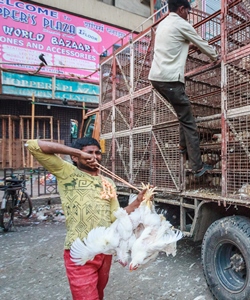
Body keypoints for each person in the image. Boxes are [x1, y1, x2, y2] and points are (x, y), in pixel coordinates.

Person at [26, 138, 147, 300]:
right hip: (79, 250)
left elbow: (115, 216)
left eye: (97, 153)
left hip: (105, 250)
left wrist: (138, 201)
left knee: (98, 294)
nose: (94, 156)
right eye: (89, 152)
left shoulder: (108, 182)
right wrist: (76, 151)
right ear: (75, 158)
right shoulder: (66, 172)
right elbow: (33, 146)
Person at [149, 0, 219, 177]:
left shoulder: (164, 24)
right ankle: (197, 167)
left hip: (157, 78)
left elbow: (172, 46)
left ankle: (182, 146)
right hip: (170, 80)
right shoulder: (181, 23)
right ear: (181, 9)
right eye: (188, 11)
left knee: (183, 113)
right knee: (189, 123)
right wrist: (215, 57)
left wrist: (188, 46)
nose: (188, 15)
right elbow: (202, 42)